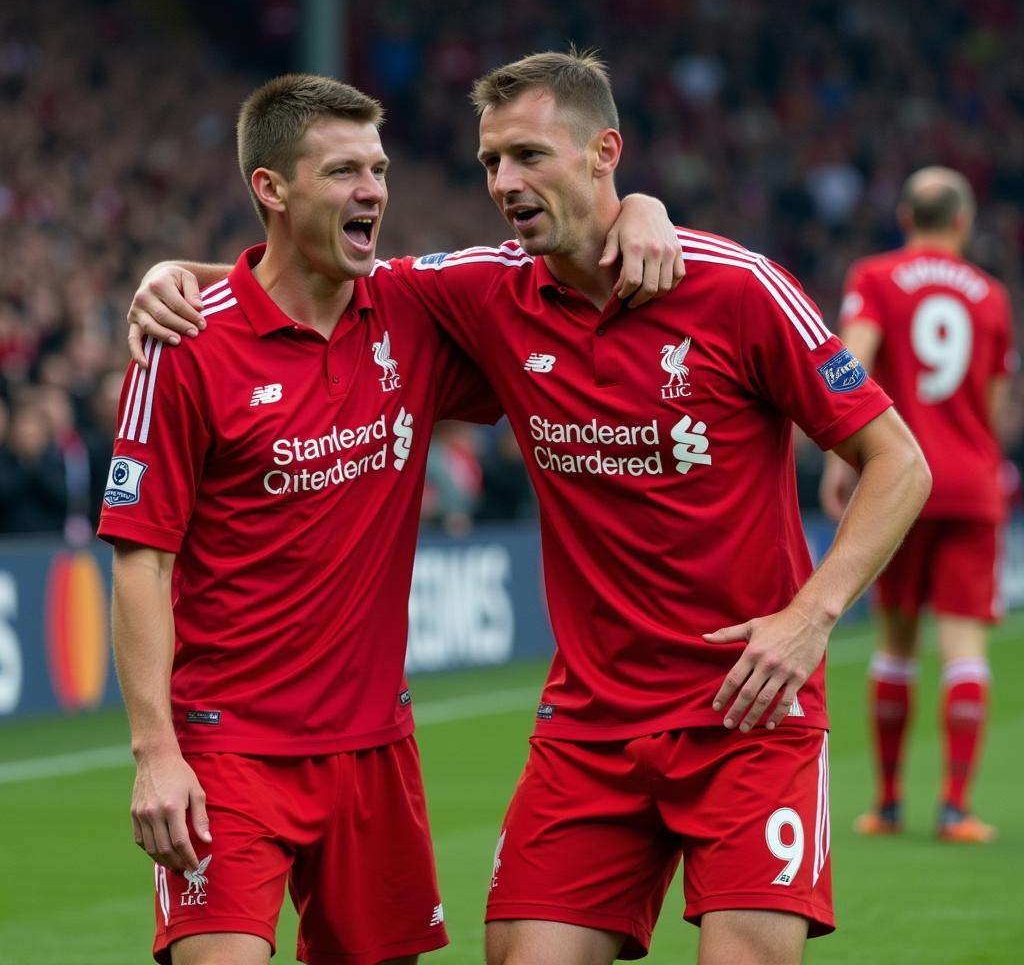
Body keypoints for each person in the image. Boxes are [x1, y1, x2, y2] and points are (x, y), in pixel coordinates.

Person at [129, 50, 931, 965]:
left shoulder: (738, 287)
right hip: (592, 722)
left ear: (603, 153)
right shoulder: (482, 290)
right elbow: (301, 274)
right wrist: (171, 273)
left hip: (749, 713)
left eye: (528, 156)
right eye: (489, 163)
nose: (503, 182)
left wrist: (809, 618)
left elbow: (899, 463)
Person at [100, 72, 682, 965]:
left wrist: (639, 204)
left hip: (375, 747)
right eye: (342, 173)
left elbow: (565, 262)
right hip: (229, 751)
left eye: (378, 169)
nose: (372, 191)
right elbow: (140, 560)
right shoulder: (185, 346)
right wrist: (154, 754)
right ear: (272, 188)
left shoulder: (411, 311)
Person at [820, 167, 1016, 844]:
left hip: (901, 482)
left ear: (905, 217)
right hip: (970, 486)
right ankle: (957, 808)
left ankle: (888, 804)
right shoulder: (991, 295)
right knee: (965, 650)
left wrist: (838, 456)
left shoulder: (874, 277)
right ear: (961, 222)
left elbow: (856, 358)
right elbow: (994, 405)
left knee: (896, 647)